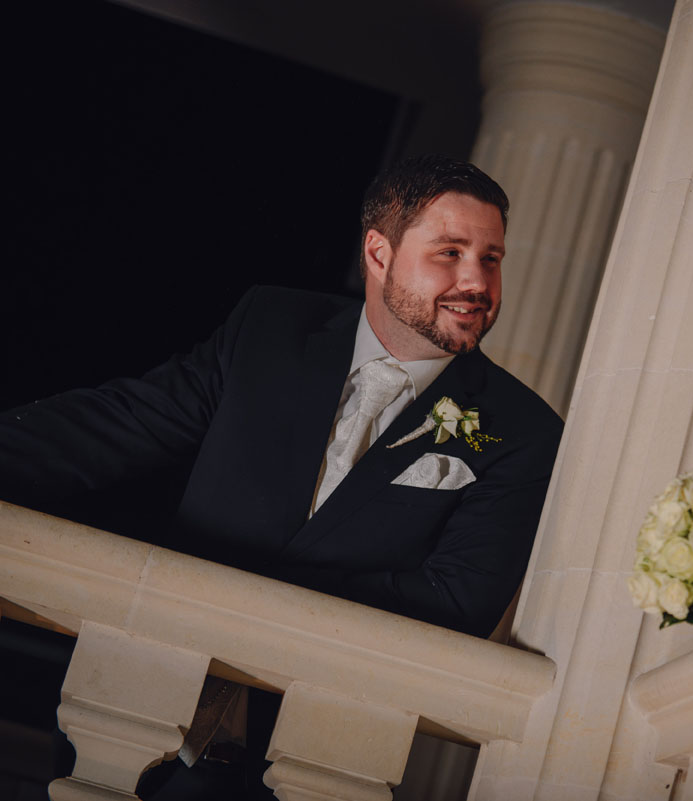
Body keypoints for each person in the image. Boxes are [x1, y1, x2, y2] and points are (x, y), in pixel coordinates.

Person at [0, 155, 563, 796]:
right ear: (378, 253)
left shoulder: (523, 430)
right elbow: (119, 424)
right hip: (133, 701)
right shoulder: (269, 326)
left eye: (491, 258)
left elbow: (456, 603)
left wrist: (235, 591)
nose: (477, 281)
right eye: (451, 252)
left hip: (302, 759)